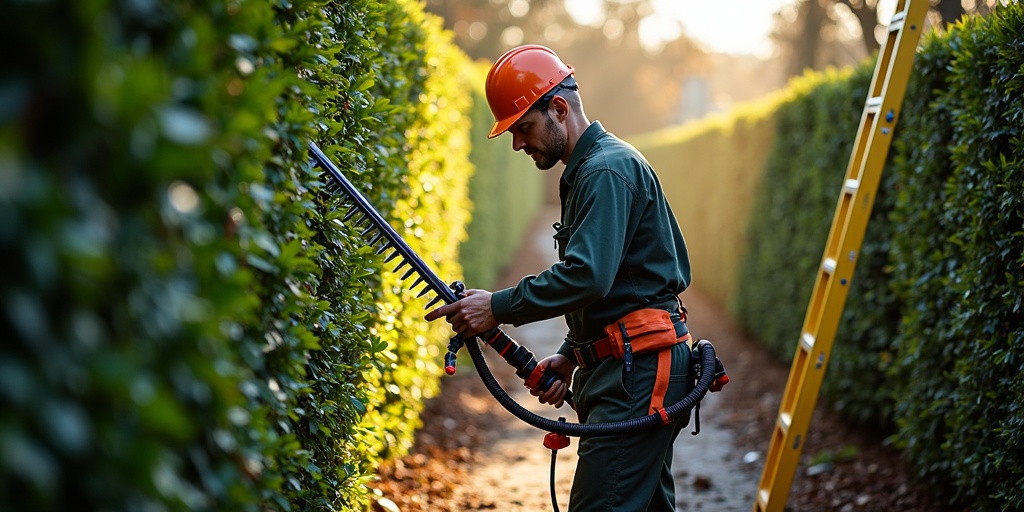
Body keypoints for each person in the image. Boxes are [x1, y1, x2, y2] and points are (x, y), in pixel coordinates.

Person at [425, 44, 694, 511]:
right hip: (628, 366)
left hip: (638, 373)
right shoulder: (591, 169)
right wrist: (572, 355)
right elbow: (623, 284)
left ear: (560, 109)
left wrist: (496, 307)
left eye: (523, 127)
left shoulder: (605, 170)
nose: (517, 144)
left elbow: (588, 276)